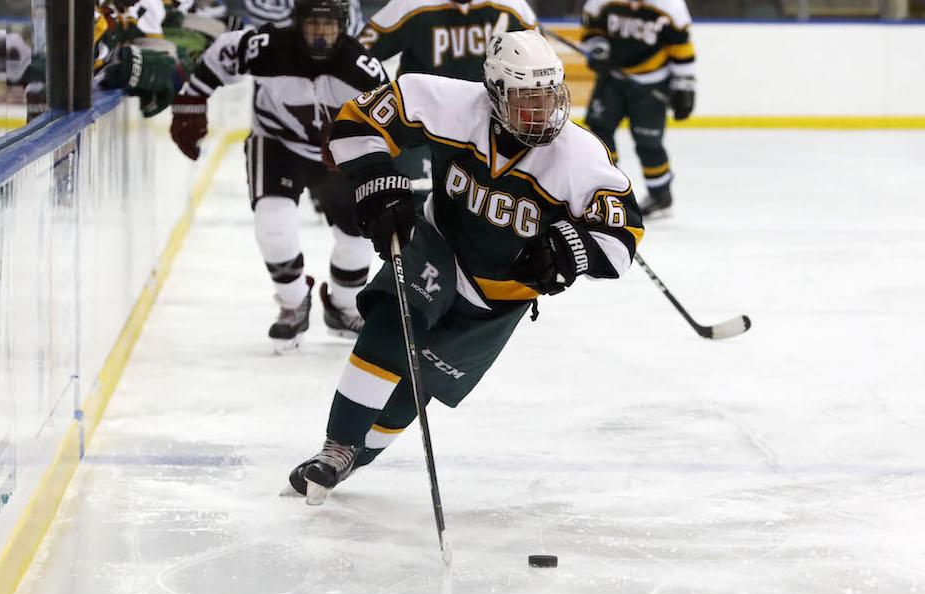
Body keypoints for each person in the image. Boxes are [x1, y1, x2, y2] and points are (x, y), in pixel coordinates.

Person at [288, 30, 644, 501]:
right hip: (439, 246)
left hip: (501, 297)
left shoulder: (579, 157)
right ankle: (335, 447)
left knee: (421, 383)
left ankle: (355, 457)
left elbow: (622, 238)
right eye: (525, 101)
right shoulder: (448, 102)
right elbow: (357, 122)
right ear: (494, 93)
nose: (541, 114)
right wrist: (377, 179)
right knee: (398, 319)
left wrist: (570, 252)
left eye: (548, 97)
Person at [169, 0, 389, 352]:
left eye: (329, 26)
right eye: (313, 25)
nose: (320, 35)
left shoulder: (362, 69)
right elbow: (224, 52)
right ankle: (293, 303)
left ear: (344, 26)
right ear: (297, 23)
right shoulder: (269, 47)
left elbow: (388, 124)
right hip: (276, 142)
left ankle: (344, 306)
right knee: (274, 224)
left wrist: (371, 163)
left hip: (339, 152)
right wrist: (192, 99)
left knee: (358, 235)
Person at [356, 0, 538, 203]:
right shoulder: (410, 5)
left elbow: (540, 70)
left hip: (488, 130)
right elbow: (357, 57)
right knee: (416, 205)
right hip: (421, 127)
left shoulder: (513, 7)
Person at [580, 0, 696, 219]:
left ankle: (661, 195)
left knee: (648, 143)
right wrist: (598, 49)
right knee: (598, 134)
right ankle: (603, 189)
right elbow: (592, 27)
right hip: (612, 79)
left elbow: (681, 47)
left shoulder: (670, 6)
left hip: (651, 84)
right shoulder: (602, 2)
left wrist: (684, 87)